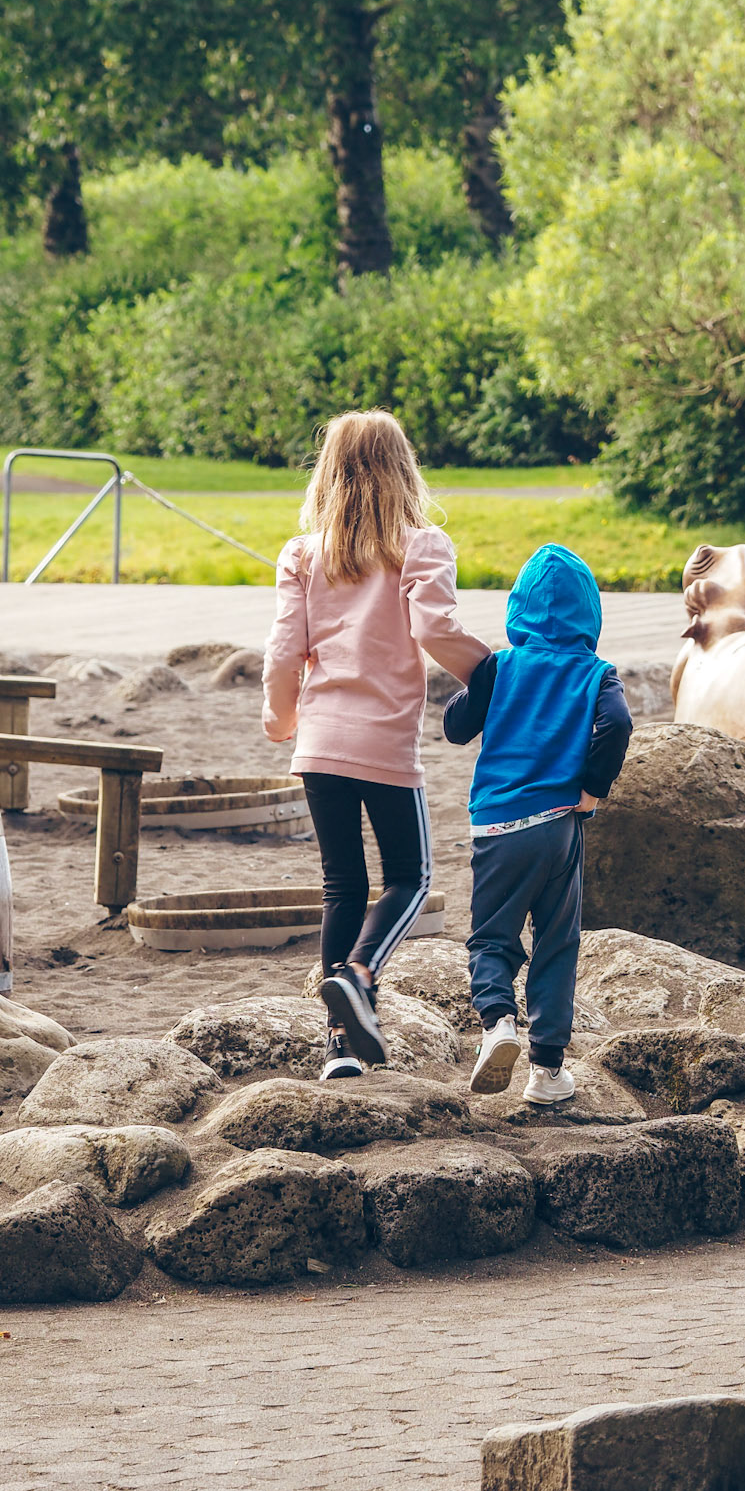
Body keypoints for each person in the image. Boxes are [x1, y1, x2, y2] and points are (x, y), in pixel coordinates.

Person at [262, 410, 490, 1080]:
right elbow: (436, 630)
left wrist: (280, 717)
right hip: (385, 742)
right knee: (411, 878)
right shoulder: (422, 546)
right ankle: (359, 976)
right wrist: (495, 676)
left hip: (319, 741)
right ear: (403, 471)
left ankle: (338, 1046)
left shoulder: (303, 554)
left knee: (342, 884)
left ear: (328, 474)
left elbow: (284, 649)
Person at [442, 542, 633, 1106]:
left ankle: (498, 1020)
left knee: (491, 936)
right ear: (590, 613)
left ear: (518, 607)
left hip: (498, 827)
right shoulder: (597, 674)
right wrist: (591, 791)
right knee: (557, 941)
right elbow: (618, 725)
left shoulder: (500, 666)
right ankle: (547, 1071)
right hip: (559, 826)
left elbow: (455, 728)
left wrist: (476, 683)